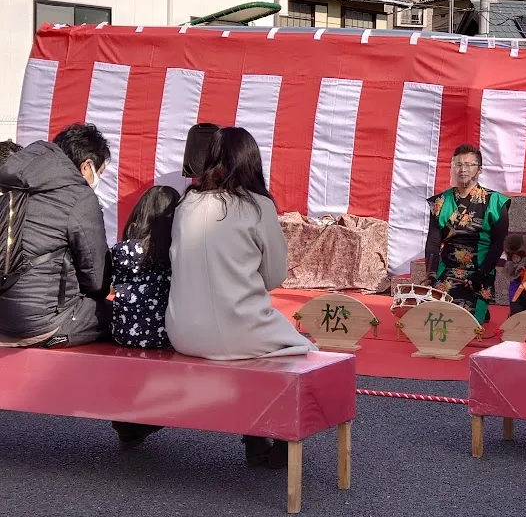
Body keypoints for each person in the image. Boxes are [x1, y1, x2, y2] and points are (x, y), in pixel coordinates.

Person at [166, 126, 317, 467]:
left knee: (270, 348)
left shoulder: (186, 202)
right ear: (251, 161)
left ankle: (255, 435)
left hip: (182, 331)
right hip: (239, 329)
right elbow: (273, 276)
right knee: (303, 352)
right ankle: (272, 438)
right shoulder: (257, 205)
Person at [0, 124, 111, 348]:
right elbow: (96, 281)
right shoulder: (78, 195)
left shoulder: (12, 182)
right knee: (117, 313)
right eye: (99, 172)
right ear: (87, 166)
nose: (98, 178)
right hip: (40, 326)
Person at [424, 144, 510, 324]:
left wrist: (482, 274)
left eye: (469, 165)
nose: (463, 169)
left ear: (479, 169)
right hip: (446, 271)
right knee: (431, 318)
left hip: (478, 273)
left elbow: (498, 243)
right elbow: (433, 241)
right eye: (458, 164)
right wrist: (431, 274)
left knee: (463, 322)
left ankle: (481, 306)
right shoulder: (440, 202)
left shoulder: (495, 202)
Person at [110, 185, 179, 349]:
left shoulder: (123, 250)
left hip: (122, 333)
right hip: (167, 335)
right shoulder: (174, 254)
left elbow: (110, 287)